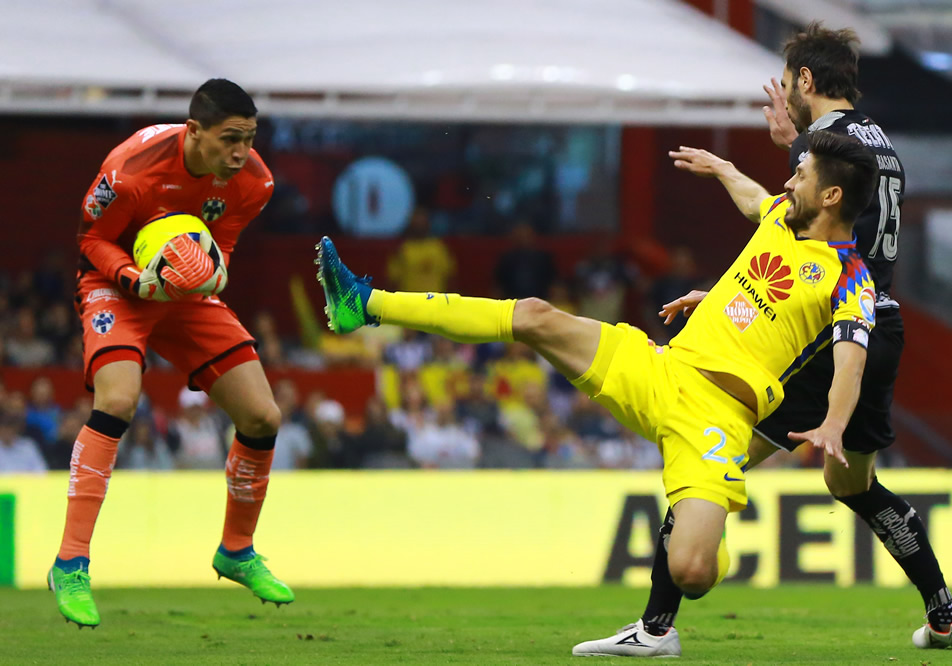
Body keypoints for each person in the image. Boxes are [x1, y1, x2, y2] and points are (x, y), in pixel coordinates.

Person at [319, 130, 879, 657]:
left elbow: (851, 359)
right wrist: (722, 168)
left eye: (800, 175)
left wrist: (832, 423)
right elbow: (754, 197)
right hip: (658, 369)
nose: (788, 183)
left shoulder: (852, 276)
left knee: (693, 572)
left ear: (830, 195)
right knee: (536, 317)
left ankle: (699, 548)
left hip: (715, 419)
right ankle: (364, 304)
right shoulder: (782, 215)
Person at [602, 22, 952, 655]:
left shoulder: (823, 148)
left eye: (788, 83)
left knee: (707, 449)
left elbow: (795, 240)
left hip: (832, 328)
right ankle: (943, 615)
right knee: (852, 486)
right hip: (880, 324)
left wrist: (792, 142)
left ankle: (654, 629)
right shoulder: (880, 142)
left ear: (804, 80)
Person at [50, 78, 294, 629]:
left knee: (262, 416)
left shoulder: (255, 181)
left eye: (250, 139)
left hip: (185, 291)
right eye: (230, 138)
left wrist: (214, 268)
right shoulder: (131, 169)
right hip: (119, 286)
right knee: (117, 401)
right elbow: (91, 241)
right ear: (194, 131)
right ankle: (71, 562)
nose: (240, 153)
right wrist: (136, 280)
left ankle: (236, 550)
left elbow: (222, 239)